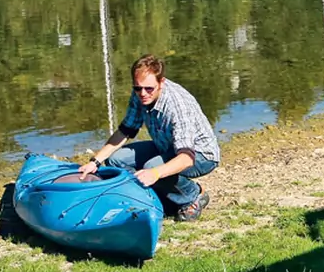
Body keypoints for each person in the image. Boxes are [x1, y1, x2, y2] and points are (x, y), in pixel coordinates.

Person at [78, 54, 220, 221]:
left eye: (149, 89)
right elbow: (125, 131)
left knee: (151, 166)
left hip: (200, 154)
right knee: (116, 160)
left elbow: (187, 158)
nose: (143, 93)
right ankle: (158, 197)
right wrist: (95, 162)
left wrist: (155, 173)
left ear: (161, 83)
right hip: (167, 147)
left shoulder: (178, 106)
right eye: (138, 88)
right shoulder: (140, 94)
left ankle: (193, 194)